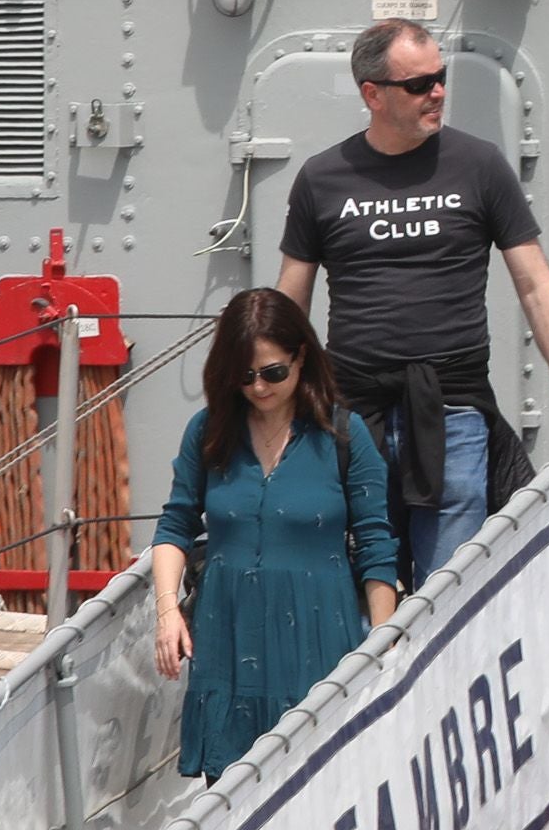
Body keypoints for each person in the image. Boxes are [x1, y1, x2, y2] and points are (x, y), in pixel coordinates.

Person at [278, 21, 549, 585]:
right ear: (372, 94)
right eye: (419, 85)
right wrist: (276, 403)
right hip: (355, 415)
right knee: (366, 581)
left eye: (441, 78)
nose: (437, 92)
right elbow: (292, 300)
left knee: (449, 590)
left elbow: (535, 282)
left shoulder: (478, 165)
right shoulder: (322, 178)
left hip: (453, 411)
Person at [155, 289, 402, 780]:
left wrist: (384, 644)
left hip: (318, 642)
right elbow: (175, 525)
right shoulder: (208, 432)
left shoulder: (344, 437)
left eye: (273, 373)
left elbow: (377, 547)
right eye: (244, 376)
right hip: (229, 641)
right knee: (229, 805)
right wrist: (167, 614)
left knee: (322, 790)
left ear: (301, 357)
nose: (259, 388)